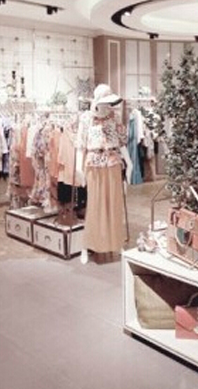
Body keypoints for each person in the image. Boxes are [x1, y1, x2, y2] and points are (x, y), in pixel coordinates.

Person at [77, 84, 128, 264]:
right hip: (94, 164)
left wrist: (129, 164)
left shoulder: (115, 117)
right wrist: (78, 169)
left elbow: (122, 143)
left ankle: (116, 243)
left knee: (114, 205)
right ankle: (88, 245)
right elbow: (80, 146)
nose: (108, 106)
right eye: (104, 103)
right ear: (97, 101)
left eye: (109, 103)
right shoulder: (86, 119)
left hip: (113, 163)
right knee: (94, 206)